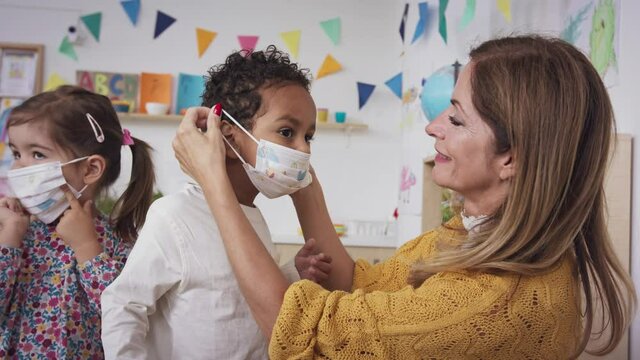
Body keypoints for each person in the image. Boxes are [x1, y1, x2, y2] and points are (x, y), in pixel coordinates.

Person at [172, 35, 637, 359]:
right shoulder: (460, 239)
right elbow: (358, 286)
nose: (433, 127)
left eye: (455, 119)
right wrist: (302, 183)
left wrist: (215, 183)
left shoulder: (494, 307)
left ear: (510, 158)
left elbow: (300, 328)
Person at [101, 45, 331, 360]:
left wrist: (292, 272)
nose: (303, 150)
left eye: (309, 137)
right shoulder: (173, 215)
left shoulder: (253, 217)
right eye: (287, 132)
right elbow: (124, 304)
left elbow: (243, 295)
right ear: (227, 135)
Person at [0, 85, 155, 358]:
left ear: (90, 169)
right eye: (16, 153)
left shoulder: (119, 240)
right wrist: (9, 240)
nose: (18, 167)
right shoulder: (13, 229)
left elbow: (123, 319)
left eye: (37, 154)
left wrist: (87, 248)